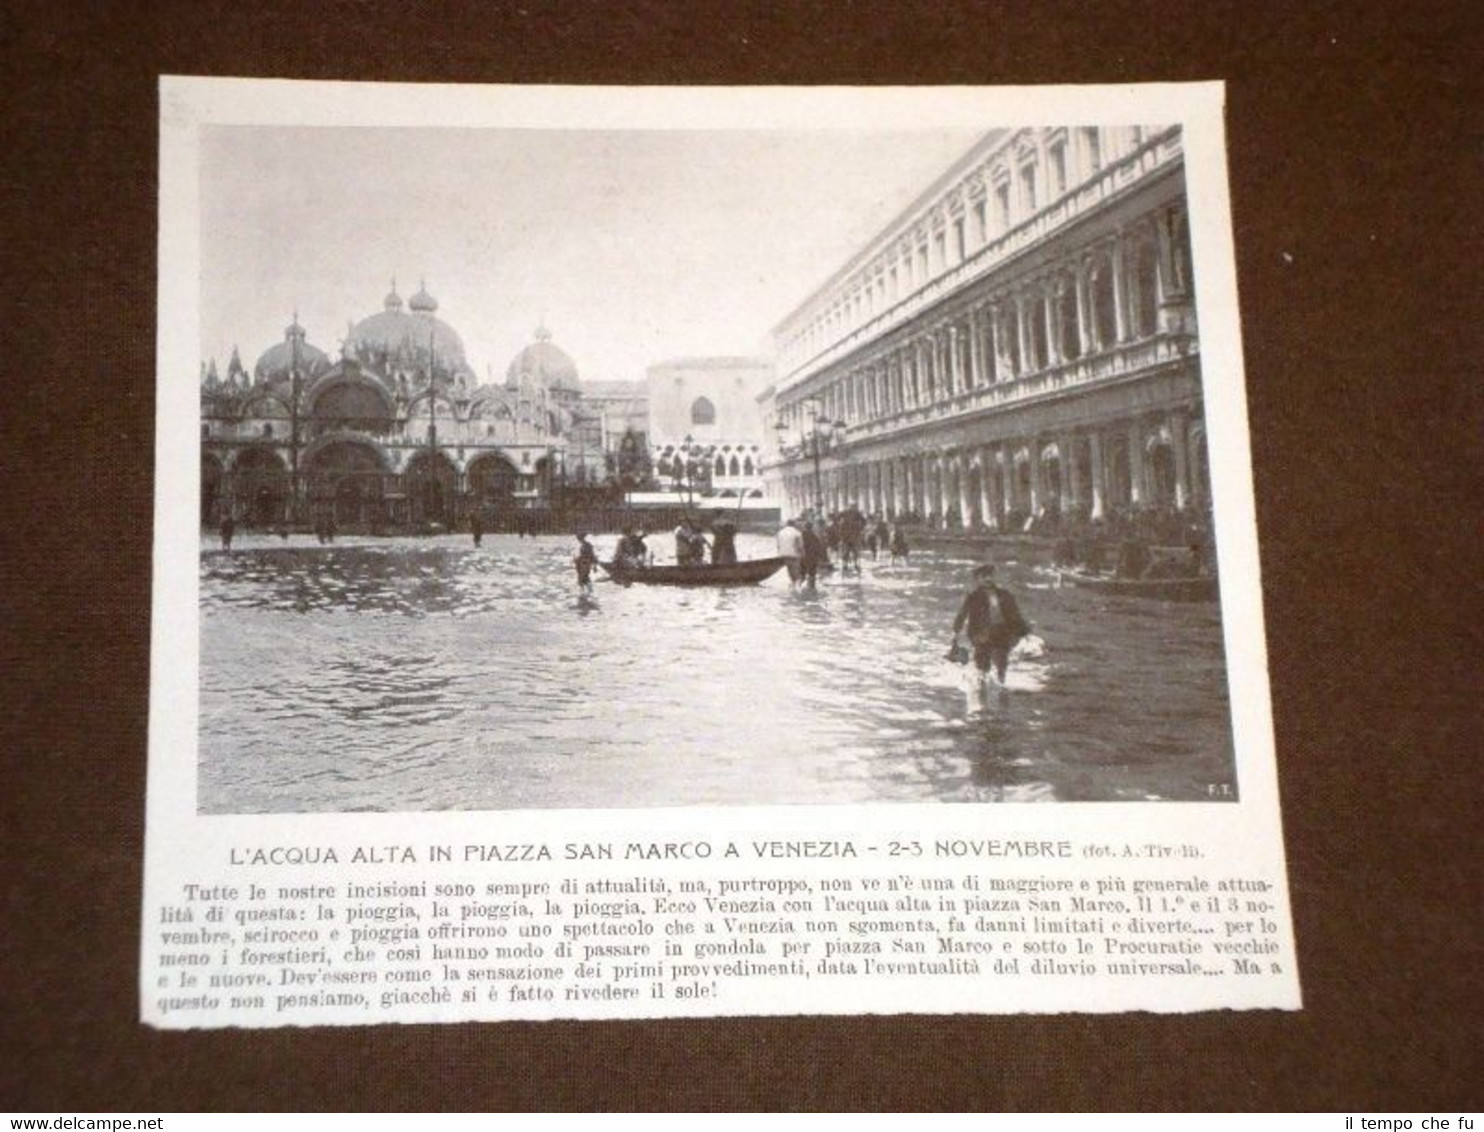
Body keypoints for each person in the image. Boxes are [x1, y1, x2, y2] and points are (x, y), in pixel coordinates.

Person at [951, 563, 1030, 685]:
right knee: (982, 665)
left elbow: (1014, 614)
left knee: (1002, 662)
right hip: (980, 634)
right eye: (984, 576)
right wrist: (956, 630)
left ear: (994, 577)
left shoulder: (1005, 595)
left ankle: (1001, 684)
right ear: (978, 579)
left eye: (990, 575)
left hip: (1002, 633)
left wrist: (1024, 632)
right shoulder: (973, 597)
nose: (988, 579)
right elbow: (962, 614)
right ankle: (982, 686)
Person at [777, 519, 804, 586]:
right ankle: (797, 584)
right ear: (794, 524)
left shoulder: (780, 532)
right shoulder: (797, 532)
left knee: (789, 568)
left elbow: (778, 545)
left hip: (783, 553)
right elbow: (800, 545)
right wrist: (803, 554)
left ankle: (792, 582)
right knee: (796, 569)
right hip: (794, 554)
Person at [801, 520, 826, 590]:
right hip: (812, 558)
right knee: (812, 574)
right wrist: (820, 557)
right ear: (812, 527)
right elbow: (819, 547)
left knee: (802, 574)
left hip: (803, 558)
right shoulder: (815, 536)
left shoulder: (801, 535)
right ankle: (812, 588)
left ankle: (797, 588)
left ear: (805, 527)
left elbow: (798, 546)